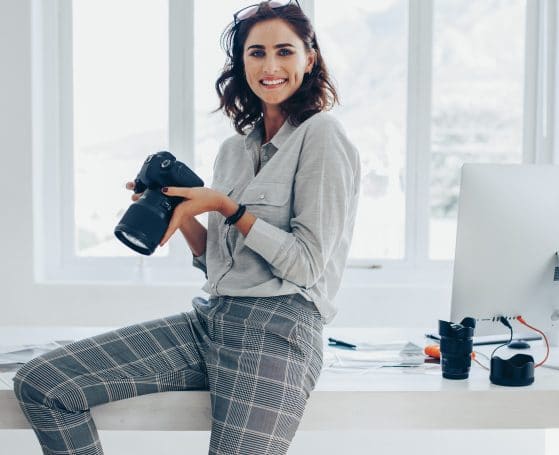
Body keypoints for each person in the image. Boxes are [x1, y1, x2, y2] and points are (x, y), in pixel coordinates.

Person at [13, 1, 360, 453]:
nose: (270, 66)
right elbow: (218, 263)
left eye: (284, 51)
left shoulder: (323, 136)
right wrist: (183, 213)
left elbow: (306, 265)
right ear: (241, 63)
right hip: (212, 319)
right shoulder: (234, 150)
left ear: (308, 58)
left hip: (280, 331)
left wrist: (227, 206)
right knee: (43, 384)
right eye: (256, 53)